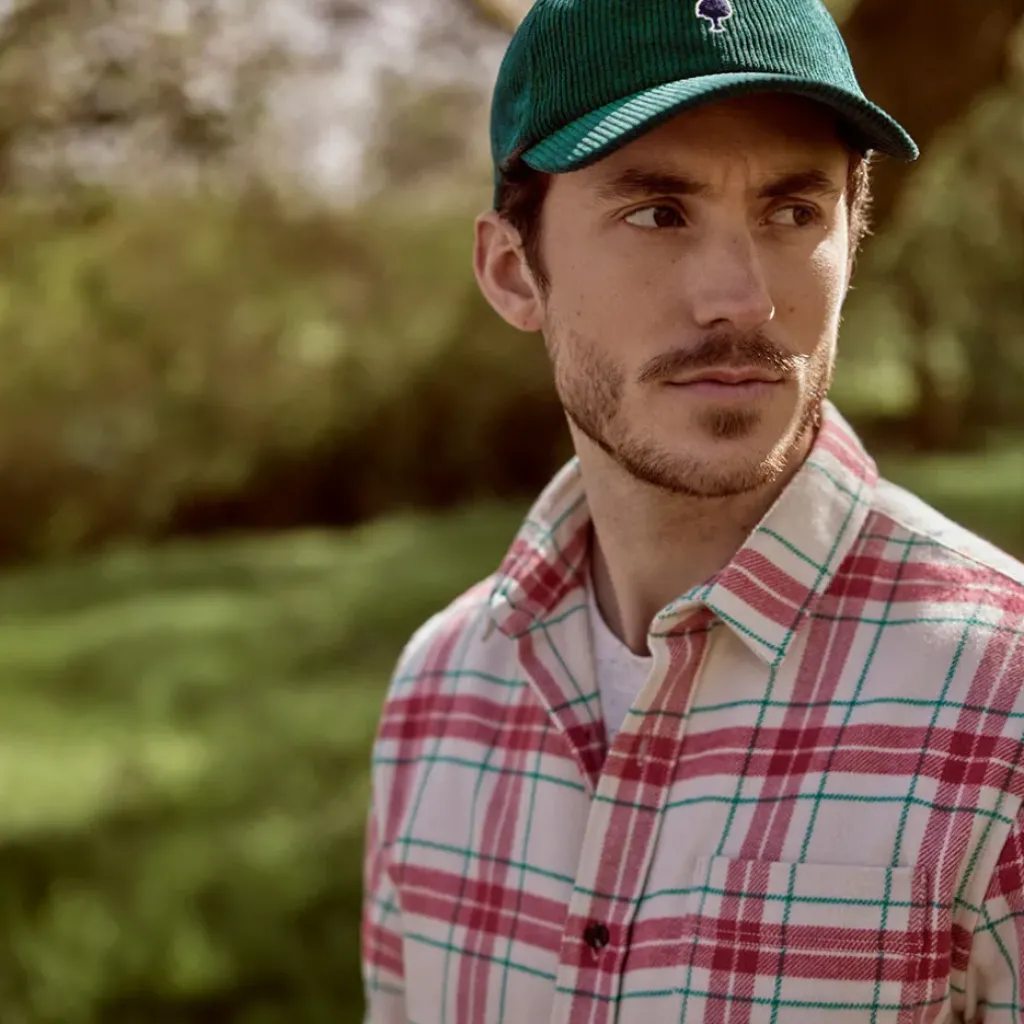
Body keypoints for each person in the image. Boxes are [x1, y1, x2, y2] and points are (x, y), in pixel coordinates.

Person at [361, 0, 1024, 1019]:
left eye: (792, 213)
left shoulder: (1002, 704)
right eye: (657, 214)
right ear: (513, 271)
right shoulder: (437, 694)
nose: (741, 297)